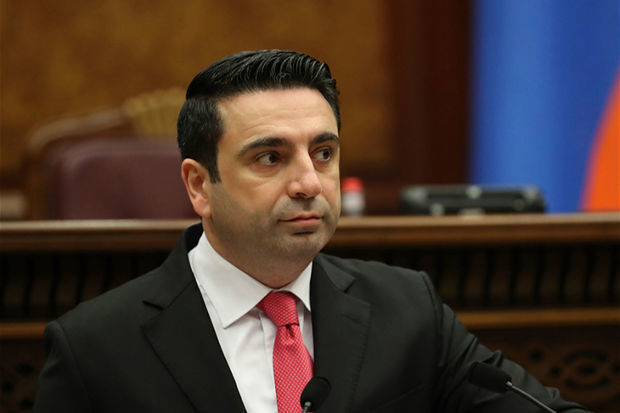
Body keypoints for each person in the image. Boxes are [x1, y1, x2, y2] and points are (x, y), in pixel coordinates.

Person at [34, 50, 587, 412]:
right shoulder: (96, 348)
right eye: (270, 158)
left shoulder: (407, 309)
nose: (308, 183)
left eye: (323, 153)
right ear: (200, 185)